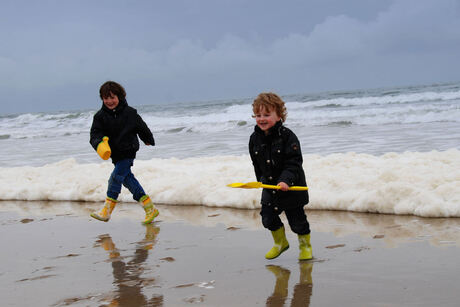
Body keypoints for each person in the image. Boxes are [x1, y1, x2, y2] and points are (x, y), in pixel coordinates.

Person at [249, 92, 312, 260]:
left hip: (291, 187)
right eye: (258, 115)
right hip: (270, 187)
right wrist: (260, 181)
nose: (262, 119)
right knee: (267, 218)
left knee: (297, 222)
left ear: (279, 116)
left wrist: (285, 180)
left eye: (267, 115)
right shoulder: (254, 138)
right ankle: (280, 242)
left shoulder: (288, 136)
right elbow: (257, 163)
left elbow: (294, 162)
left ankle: (305, 246)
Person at [89, 81, 158, 224]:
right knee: (127, 179)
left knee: (115, 178)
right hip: (114, 153)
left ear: (120, 96)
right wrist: (99, 143)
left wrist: (148, 138)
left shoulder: (130, 113)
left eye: (112, 97)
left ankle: (107, 211)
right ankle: (149, 208)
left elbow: (141, 126)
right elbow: (94, 134)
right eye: (105, 98)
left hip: (128, 150)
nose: (109, 101)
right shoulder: (100, 117)